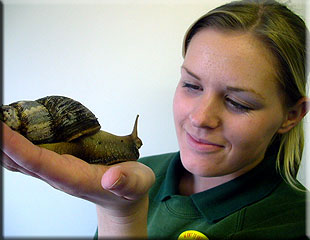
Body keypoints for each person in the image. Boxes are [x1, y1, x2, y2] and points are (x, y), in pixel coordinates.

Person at [1, 0, 309, 239]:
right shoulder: (139, 172)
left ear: (291, 115)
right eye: (191, 85)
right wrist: (114, 204)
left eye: (238, 103)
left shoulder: (293, 223)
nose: (201, 118)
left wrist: (121, 214)